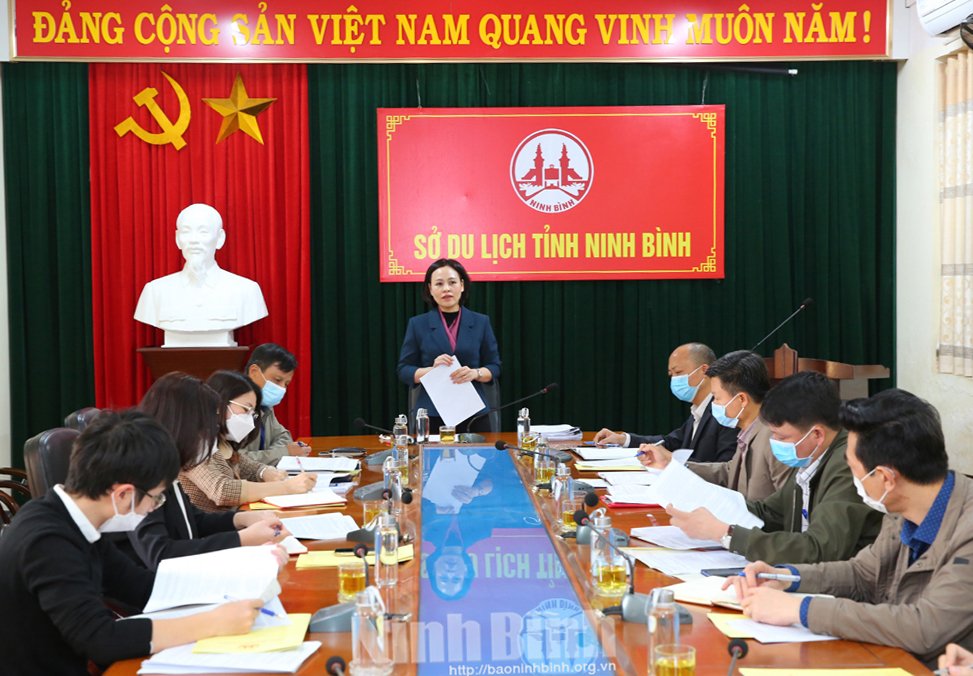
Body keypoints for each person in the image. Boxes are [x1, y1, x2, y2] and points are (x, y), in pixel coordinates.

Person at [0, 409, 269, 675]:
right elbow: (100, 638)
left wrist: (237, 585)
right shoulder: (47, 541)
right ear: (123, 494)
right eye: (156, 497)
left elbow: (140, 586)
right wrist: (211, 623)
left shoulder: (80, 521)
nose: (155, 507)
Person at [726, 389, 973, 668]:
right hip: (887, 658)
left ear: (885, 478)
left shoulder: (966, 530)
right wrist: (786, 576)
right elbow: (862, 574)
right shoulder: (902, 506)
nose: (852, 479)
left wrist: (800, 609)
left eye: (853, 469)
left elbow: (923, 627)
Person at [666, 371, 882, 563]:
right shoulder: (811, 455)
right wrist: (707, 505)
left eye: (782, 437)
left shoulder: (847, 465)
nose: (774, 442)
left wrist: (727, 534)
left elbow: (819, 549)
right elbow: (770, 513)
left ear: (816, 434)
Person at [130, 372, 288, 569]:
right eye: (206, 423)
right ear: (181, 423)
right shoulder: (141, 472)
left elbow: (192, 520)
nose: (213, 430)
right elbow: (161, 553)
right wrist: (242, 539)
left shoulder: (167, 464)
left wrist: (242, 518)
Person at [641, 349, 791, 501]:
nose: (714, 404)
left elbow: (786, 508)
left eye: (717, 398)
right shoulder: (749, 429)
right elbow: (729, 472)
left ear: (742, 399)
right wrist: (672, 463)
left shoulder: (775, 438)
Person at [134, 203, 268, 347]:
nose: (194, 240)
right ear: (178, 238)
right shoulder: (155, 291)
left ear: (220, 238)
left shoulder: (246, 290)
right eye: (186, 232)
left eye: (203, 232)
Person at [179, 371, 316, 511]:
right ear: (219, 404)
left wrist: (266, 472)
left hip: (233, 518)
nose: (249, 419)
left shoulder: (221, 440)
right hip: (211, 524)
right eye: (245, 409)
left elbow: (246, 466)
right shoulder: (194, 443)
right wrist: (286, 487)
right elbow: (222, 491)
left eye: (252, 413)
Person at [396, 259, 501, 433]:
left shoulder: (481, 322)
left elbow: (495, 367)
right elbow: (404, 370)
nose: (446, 289)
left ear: (462, 285)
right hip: (432, 413)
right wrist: (431, 371)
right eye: (439, 284)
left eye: (452, 282)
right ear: (430, 289)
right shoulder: (417, 324)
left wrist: (475, 373)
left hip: (474, 412)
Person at [592, 342, 737, 463]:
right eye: (671, 375)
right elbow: (671, 442)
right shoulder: (698, 410)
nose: (674, 379)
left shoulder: (725, 412)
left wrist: (671, 459)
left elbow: (723, 469)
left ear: (704, 370)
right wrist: (623, 439)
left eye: (678, 372)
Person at [240, 343, 308, 465]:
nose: (282, 388)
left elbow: (284, 436)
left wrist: (276, 453)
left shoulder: (264, 405)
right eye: (277, 380)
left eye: (286, 384)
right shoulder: (233, 409)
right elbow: (236, 461)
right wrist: (284, 452)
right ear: (254, 372)